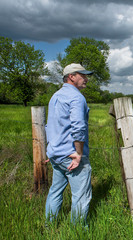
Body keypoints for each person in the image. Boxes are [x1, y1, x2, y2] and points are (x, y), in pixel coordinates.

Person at [45, 63, 93, 225]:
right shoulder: (77, 97)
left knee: (55, 191)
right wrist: (78, 154)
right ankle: (77, 231)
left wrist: (51, 149)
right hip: (72, 155)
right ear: (71, 77)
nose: (86, 79)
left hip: (56, 154)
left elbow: (50, 125)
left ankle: (49, 226)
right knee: (81, 195)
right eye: (83, 75)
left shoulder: (56, 96)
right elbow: (78, 127)